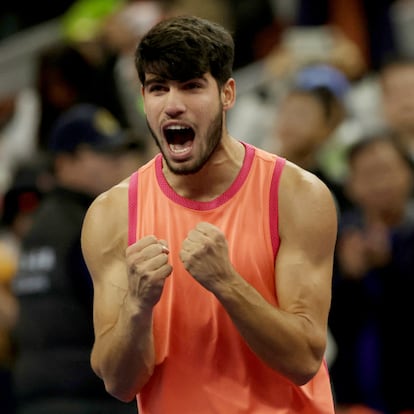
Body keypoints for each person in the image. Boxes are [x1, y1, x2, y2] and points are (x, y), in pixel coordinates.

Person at [81, 15, 338, 413]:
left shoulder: (296, 195)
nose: (173, 105)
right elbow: (119, 382)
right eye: (158, 88)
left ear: (228, 94)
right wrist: (136, 305)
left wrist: (226, 282)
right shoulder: (111, 214)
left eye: (191, 86)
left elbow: (303, 360)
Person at [11, 103, 144, 414]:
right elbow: (120, 315)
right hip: (92, 396)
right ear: (64, 161)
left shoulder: (38, 228)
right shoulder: (85, 226)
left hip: (38, 396)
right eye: (105, 155)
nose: (119, 164)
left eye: (119, 154)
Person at [328, 131, 414, 414]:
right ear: (351, 186)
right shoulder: (336, 239)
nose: (379, 183)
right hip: (352, 399)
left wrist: (389, 267)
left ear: (409, 174)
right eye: (367, 174)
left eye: (387, 171)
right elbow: (328, 325)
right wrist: (350, 277)